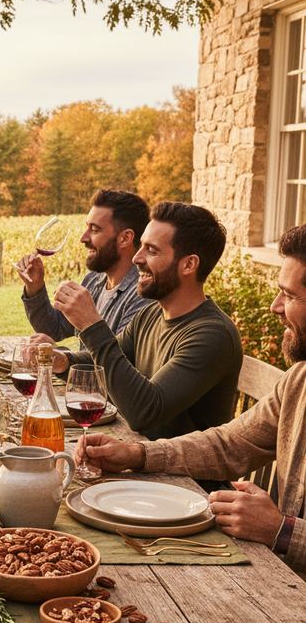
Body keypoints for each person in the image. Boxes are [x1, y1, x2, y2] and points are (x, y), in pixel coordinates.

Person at [80, 223, 306, 572]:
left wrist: (284, 531)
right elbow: (228, 444)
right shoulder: (299, 381)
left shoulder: (211, 333)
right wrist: (136, 454)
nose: (276, 306)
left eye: (289, 296)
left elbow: (145, 409)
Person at [51, 201, 242, 440]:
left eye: (152, 250)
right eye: (141, 246)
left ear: (189, 265)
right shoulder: (151, 314)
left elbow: (145, 411)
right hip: (135, 452)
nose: (136, 258)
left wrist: (91, 325)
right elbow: (104, 362)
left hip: (177, 465)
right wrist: (60, 360)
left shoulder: (212, 335)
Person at [16, 189, 153, 342]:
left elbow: (119, 355)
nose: (83, 238)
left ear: (125, 238)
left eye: (94, 230)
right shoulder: (94, 280)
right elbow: (55, 328)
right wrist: (35, 287)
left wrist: (59, 353)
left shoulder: (143, 296)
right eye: (87, 227)